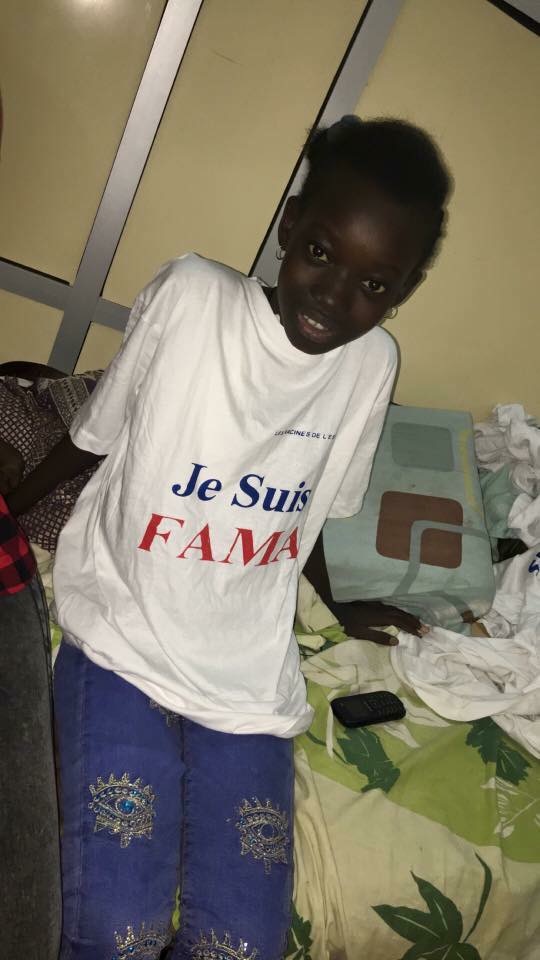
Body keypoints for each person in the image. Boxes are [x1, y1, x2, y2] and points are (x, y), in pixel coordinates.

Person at [8, 115, 451, 959]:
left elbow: (309, 507)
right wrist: (14, 504)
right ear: (289, 225)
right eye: (320, 253)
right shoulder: (192, 299)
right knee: (118, 930)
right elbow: (99, 430)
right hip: (123, 637)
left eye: (374, 283)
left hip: (245, 676)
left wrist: (341, 605)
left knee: (240, 947)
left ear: (403, 289)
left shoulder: (371, 366)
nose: (335, 296)